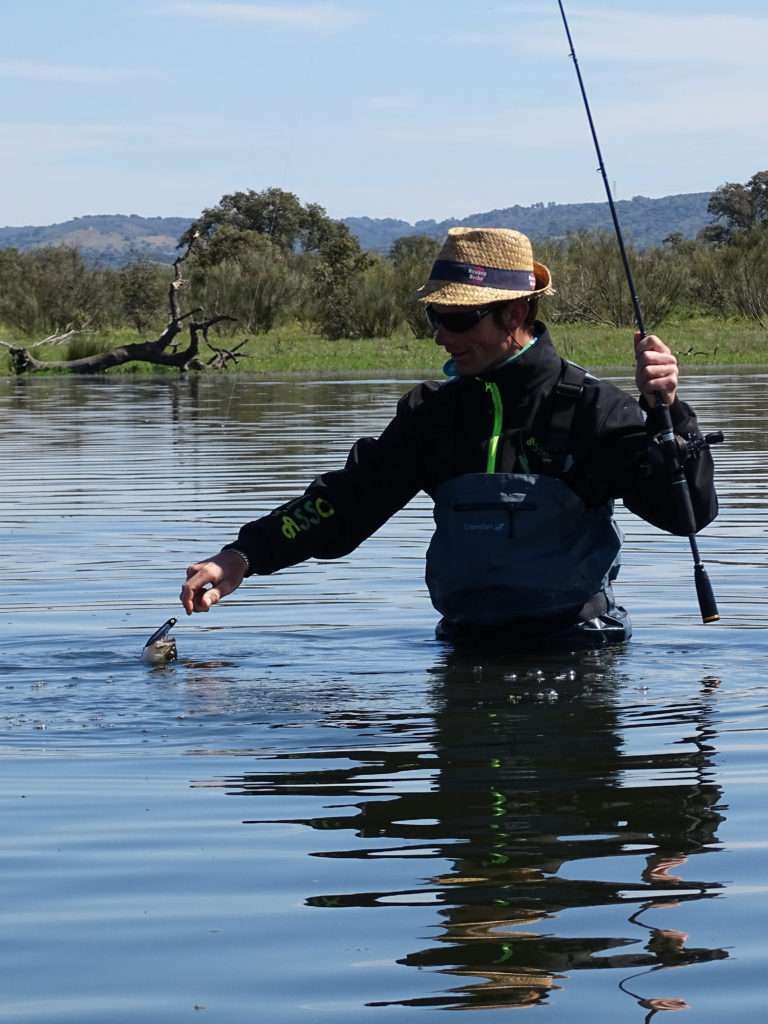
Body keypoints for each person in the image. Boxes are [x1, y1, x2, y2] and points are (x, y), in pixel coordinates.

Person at [180, 227, 717, 647]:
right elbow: (345, 504)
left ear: (516, 312)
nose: (440, 334)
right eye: (436, 317)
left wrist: (668, 412)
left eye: (458, 319)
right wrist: (242, 556)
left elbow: (685, 514)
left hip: (576, 655)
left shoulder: (595, 409)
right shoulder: (430, 414)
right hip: (466, 651)